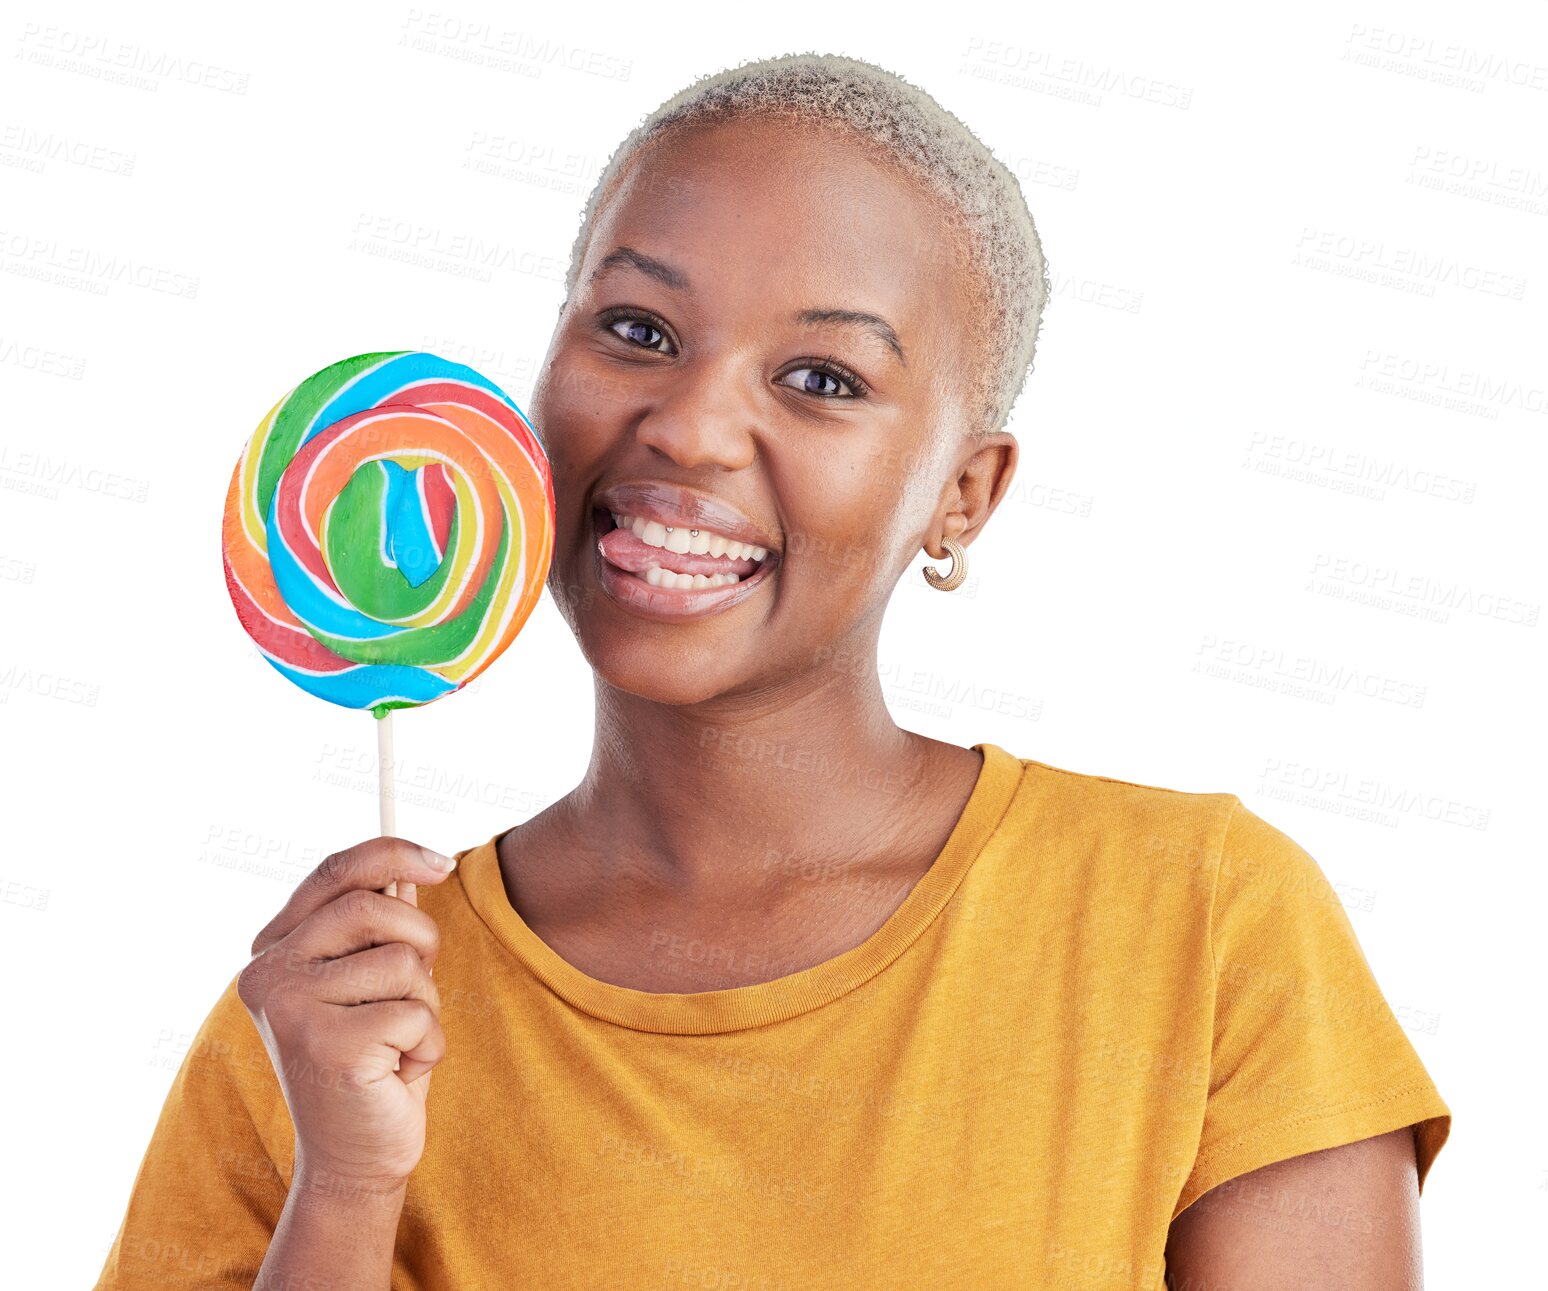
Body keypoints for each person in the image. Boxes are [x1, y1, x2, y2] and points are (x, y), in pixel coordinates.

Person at [95, 52, 1449, 1289]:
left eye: (822, 377)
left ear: (963, 495)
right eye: (635, 330)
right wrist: (345, 1186)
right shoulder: (329, 1017)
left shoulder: (1204, 924)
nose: (689, 427)